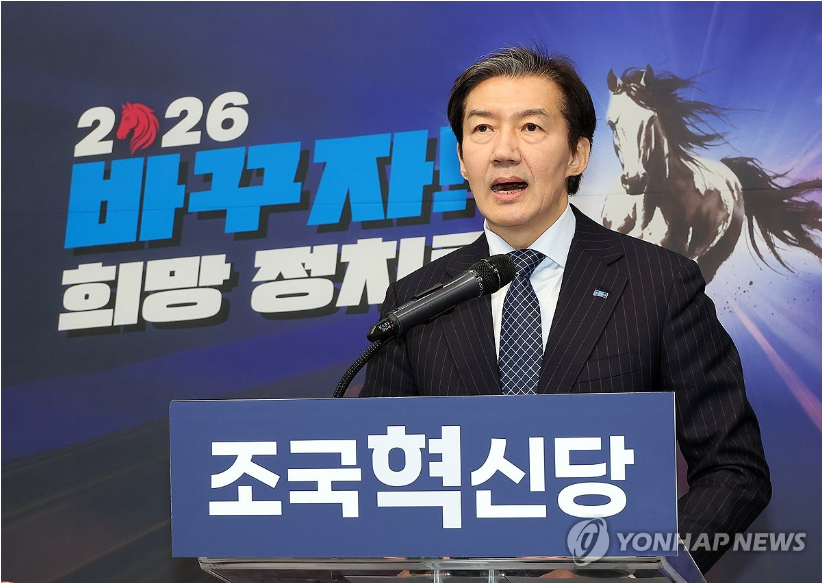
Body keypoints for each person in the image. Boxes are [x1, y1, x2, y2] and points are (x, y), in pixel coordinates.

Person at [359, 45, 771, 574]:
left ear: (578, 154)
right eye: (482, 129)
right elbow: (374, 472)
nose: (503, 151)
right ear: (461, 158)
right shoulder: (416, 298)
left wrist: (627, 572)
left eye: (531, 127)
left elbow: (734, 470)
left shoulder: (660, 283)